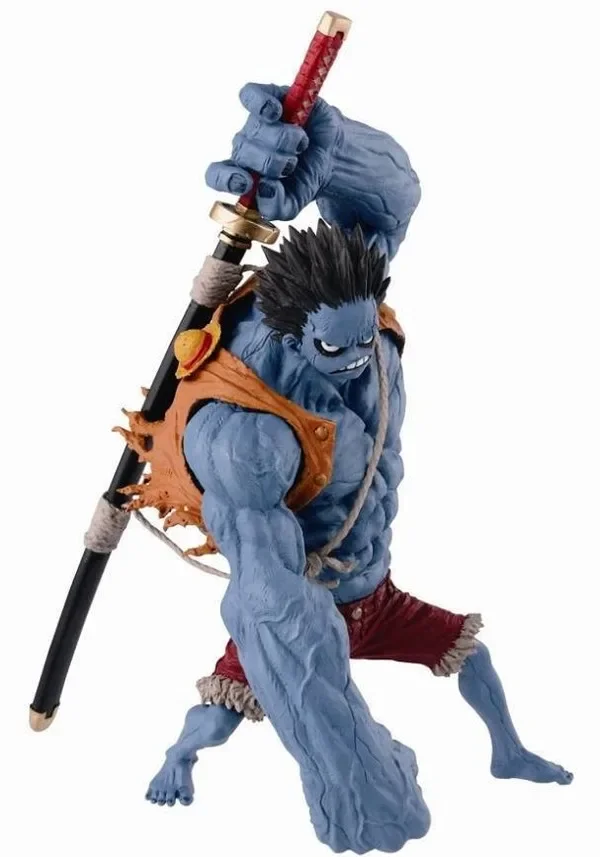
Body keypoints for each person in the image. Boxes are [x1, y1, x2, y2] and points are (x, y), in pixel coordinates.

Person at [135, 83, 571, 854]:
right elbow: (274, 608)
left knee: (472, 653)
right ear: (289, 332)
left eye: (364, 340)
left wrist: (326, 148)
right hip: (304, 609)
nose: (353, 359)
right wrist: (355, 774)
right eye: (332, 349)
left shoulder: (351, 307)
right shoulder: (245, 431)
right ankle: (178, 757)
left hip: (375, 589)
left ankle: (507, 751)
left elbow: (391, 195)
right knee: (220, 711)